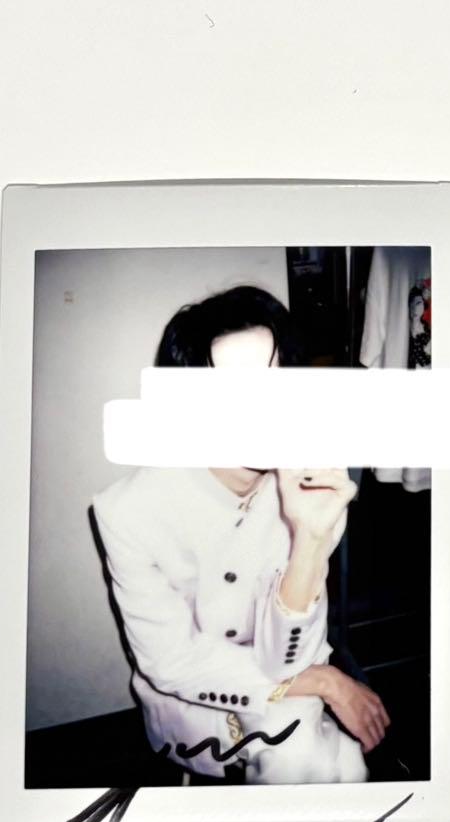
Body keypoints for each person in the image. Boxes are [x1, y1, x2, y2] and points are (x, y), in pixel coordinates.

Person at [92, 285, 390, 784]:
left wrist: (309, 539)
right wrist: (326, 682)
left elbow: (287, 656)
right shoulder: (130, 512)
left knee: (327, 765)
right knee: (309, 759)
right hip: (198, 706)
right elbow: (173, 662)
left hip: (288, 675)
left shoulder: (314, 483)